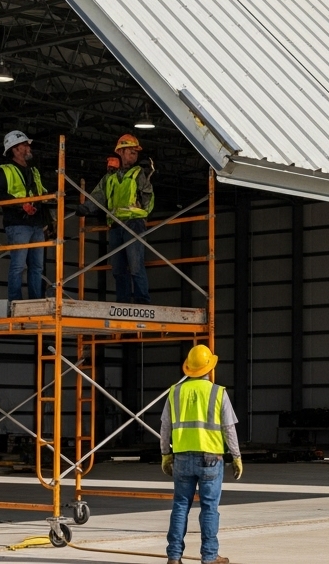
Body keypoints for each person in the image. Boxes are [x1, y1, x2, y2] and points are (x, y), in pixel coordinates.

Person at [160, 345, 242, 564]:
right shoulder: (218, 392)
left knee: (180, 506)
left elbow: (165, 427)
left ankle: (174, 557)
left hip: (182, 458)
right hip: (210, 460)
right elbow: (228, 428)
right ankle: (209, 556)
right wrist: (236, 456)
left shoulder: (174, 392)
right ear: (209, 367)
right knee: (209, 508)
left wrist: (165, 454)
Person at [80, 134, 155, 304]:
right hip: (115, 225)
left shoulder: (138, 173)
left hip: (134, 223)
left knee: (136, 265)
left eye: (136, 153)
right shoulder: (110, 177)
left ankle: (142, 301)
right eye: (131, 152)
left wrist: (143, 215)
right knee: (118, 268)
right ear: (120, 152)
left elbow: (148, 196)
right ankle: (123, 301)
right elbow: (99, 194)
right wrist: (86, 207)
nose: (134, 156)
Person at [0, 130, 51, 302]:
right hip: (18, 224)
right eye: (25, 145)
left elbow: (42, 194)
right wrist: (20, 204)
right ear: (15, 150)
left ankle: (35, 301)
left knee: (37, 266)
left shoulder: (34, 172)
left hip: (36, 223)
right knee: (18, 266)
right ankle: (14, 302)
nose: (28, 147)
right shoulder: (5, 170)